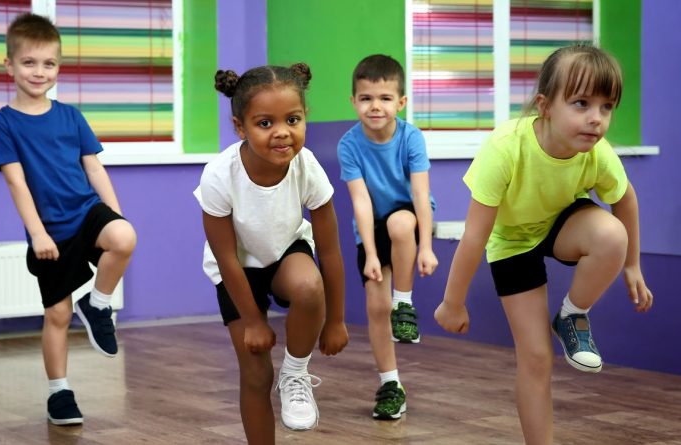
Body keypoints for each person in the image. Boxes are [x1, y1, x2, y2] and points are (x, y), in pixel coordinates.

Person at [433, 44, 655, 444]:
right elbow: (474, 236)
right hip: (512, 242)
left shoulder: (597, 154)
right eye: (582, 103)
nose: (596, 118)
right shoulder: (504, 149)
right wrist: (453, 301)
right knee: (536, 358)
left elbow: (626, 199)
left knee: (611, 234)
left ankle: (572, 315)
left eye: (606, 107)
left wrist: (632, 265)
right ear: (545, 106)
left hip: (561, 222)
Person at [0, 12, 137, 426]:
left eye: (48, 63)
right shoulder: (3, 123)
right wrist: (37, 233)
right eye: (29, 62)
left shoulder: (71, 116)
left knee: (124, 236)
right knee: (56, 314)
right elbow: (17, 184)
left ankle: (99, 303)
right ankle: (59, 393)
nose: (39, 72)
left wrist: (114, 215)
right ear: (10, 66)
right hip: (50, 230)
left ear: (58, 68)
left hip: (87, 211)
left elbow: (95, 170)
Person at [196, 63, 349, 444]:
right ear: (240, 127)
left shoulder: (307, 166)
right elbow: (227, 258)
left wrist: (336, 320)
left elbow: (329, 251)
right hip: (236, 270)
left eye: (292, 119)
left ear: (304, 118)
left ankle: (295, 372)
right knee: (256, 375)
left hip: (285, 253)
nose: (282, 132)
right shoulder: (218, 176)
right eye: (265, 123)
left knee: (309, 286)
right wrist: (252, 321)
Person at [337, 54, 437, 420]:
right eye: (366, 98)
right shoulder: (349, 145)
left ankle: (405, 303)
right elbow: (360, 201)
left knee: (399, 224)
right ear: (353, 102)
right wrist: (372, 254)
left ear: (401, 102)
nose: (375, 106)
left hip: (408, 218)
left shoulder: (411, 138)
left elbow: (420, 196)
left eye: (384, 98)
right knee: (375, 308)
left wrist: (425, 245)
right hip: (370, 226)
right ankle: (391, 384)